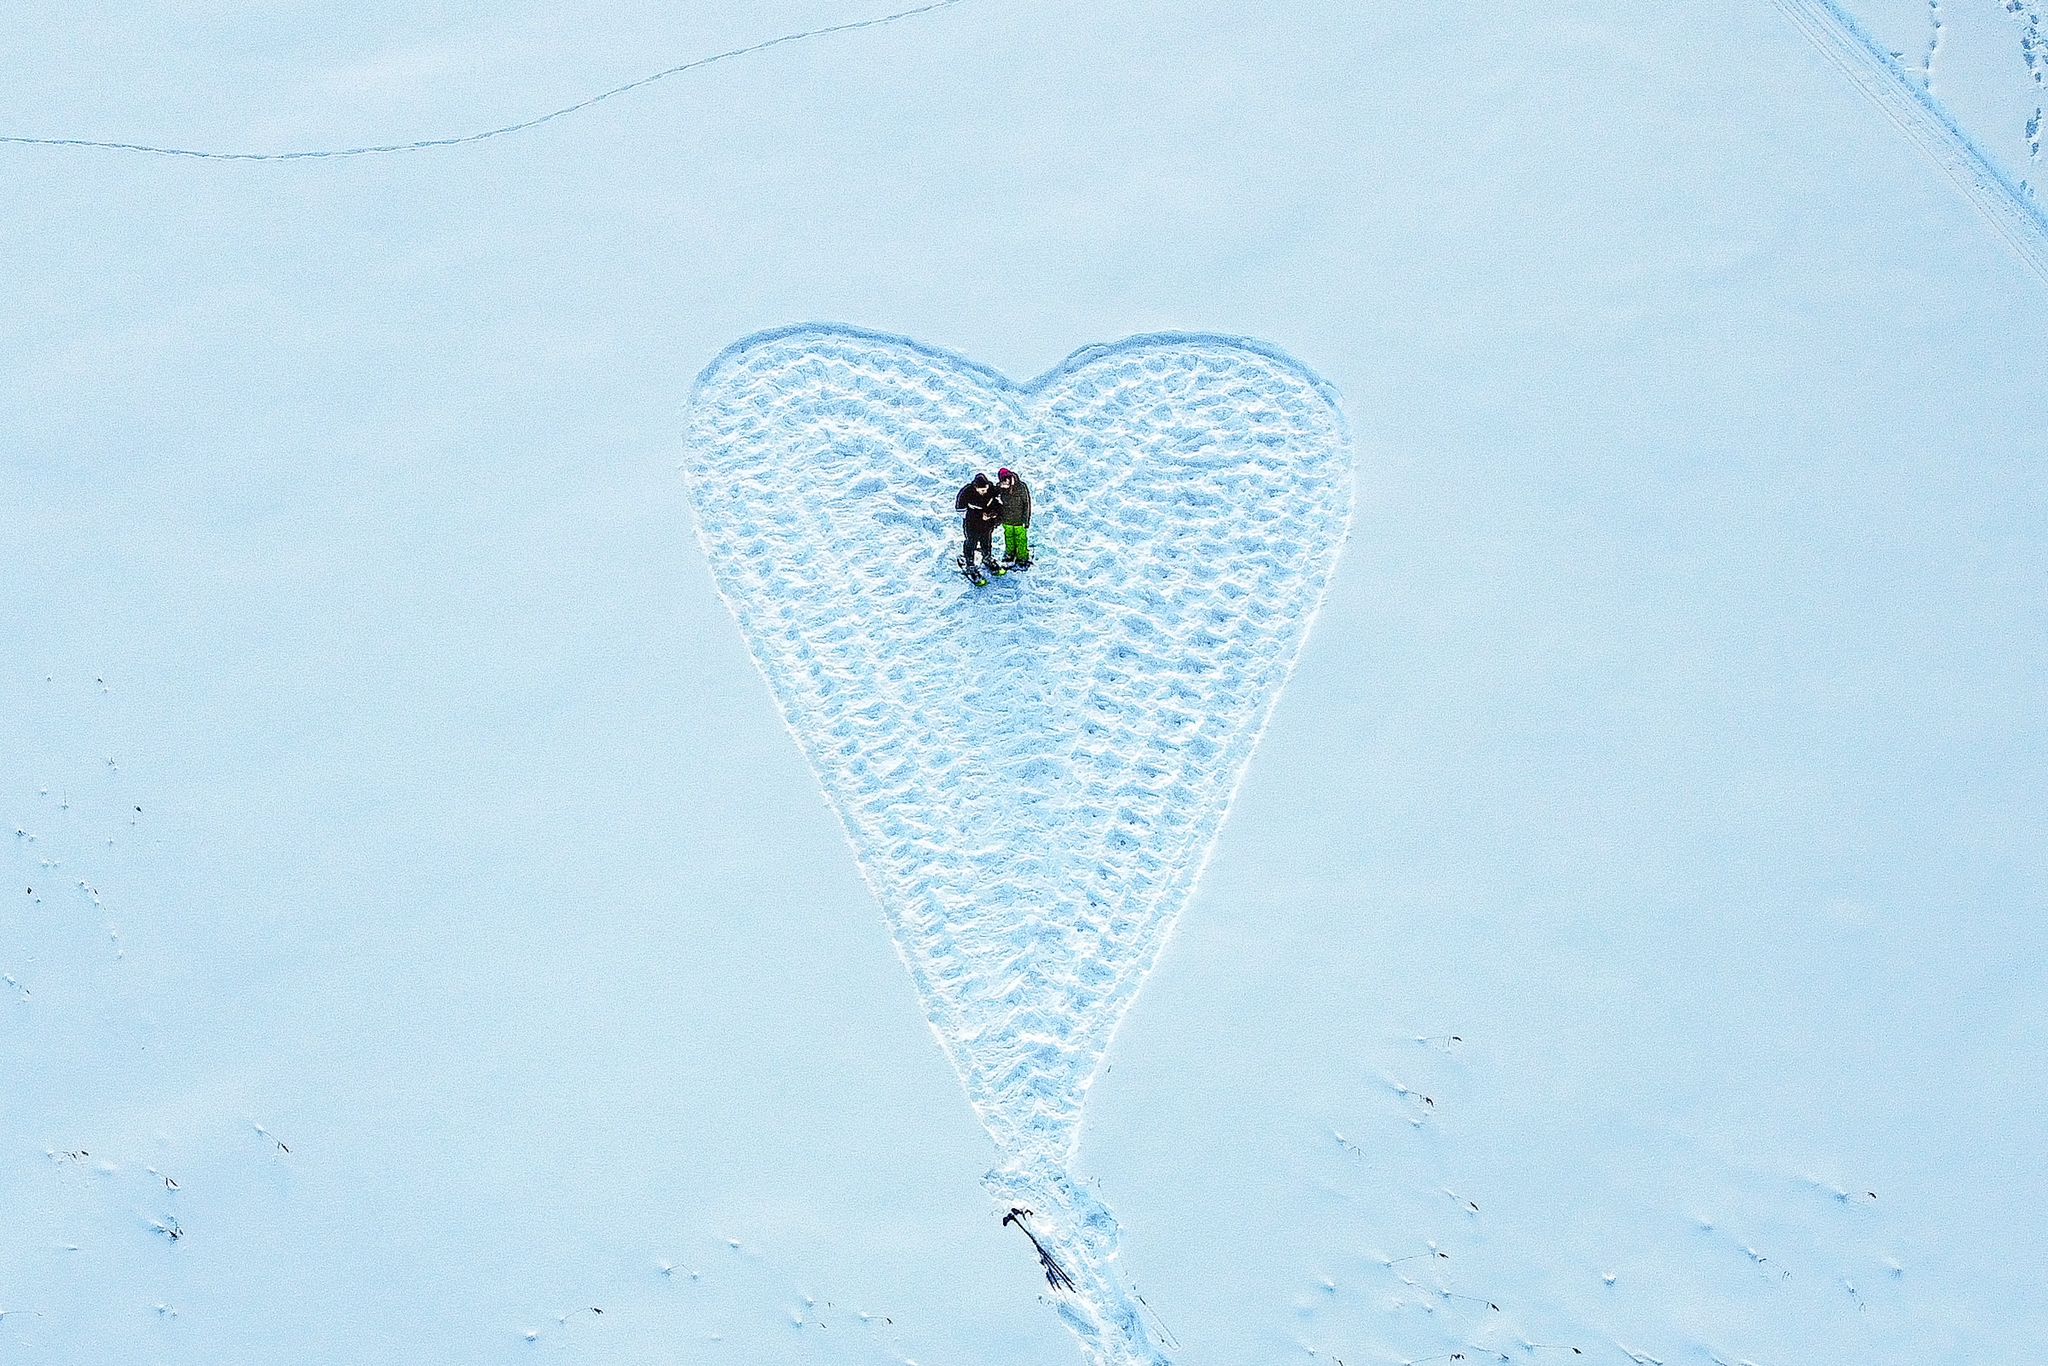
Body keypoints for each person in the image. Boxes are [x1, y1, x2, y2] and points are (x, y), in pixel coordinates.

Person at [954, 471, 1003, 579]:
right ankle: (970, 564)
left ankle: (987, 557)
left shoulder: (991, 489)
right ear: (975, 487)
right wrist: (978, 516)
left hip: (987, 524)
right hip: (972, 524)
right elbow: (960, 510)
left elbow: (997, 502)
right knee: (971, 542)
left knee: (986, 541)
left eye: (985, 489)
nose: (984, 492)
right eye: (982, 490)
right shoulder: (966, 492)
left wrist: (993, 514)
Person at [995, 467, 1033, 568]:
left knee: (1021, 539)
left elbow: (1027, 504)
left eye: (1006, 481)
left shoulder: (1021, 487)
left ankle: (1022, 557)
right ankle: (1009, 554)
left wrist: (1026, 519)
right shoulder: (1000, 488)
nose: (1005, 483)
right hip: (1006, 519)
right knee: (1009, 537)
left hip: (1019, 520)